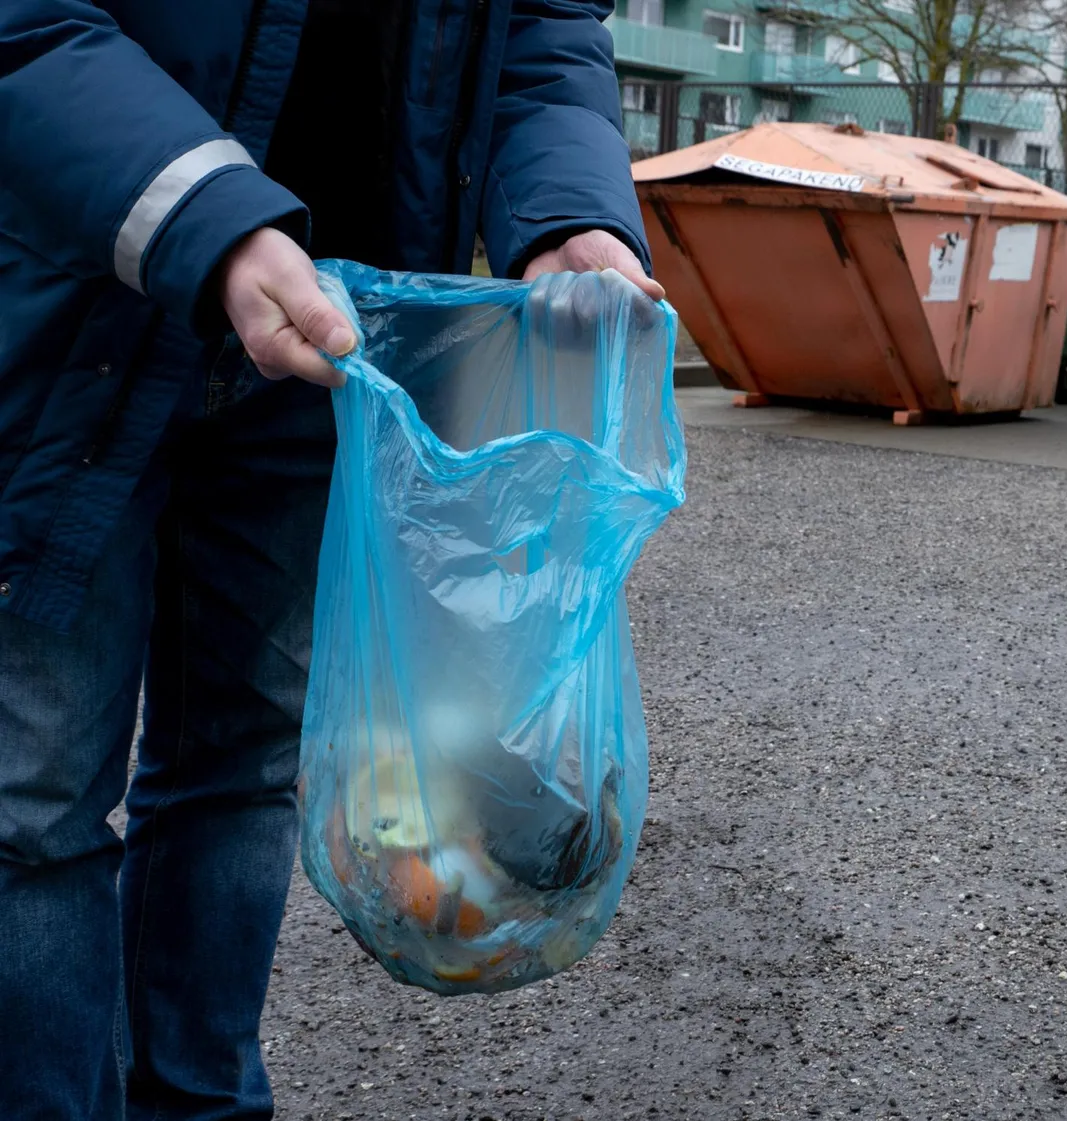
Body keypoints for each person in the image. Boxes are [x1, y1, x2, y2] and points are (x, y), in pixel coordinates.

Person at [0, 2, 662, 1118]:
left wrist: (565, 214)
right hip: (73, 308)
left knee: (244, 764)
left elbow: (542, 27)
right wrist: (210, 215)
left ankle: (202, 1100)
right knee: (34, 794)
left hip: (340, 351)